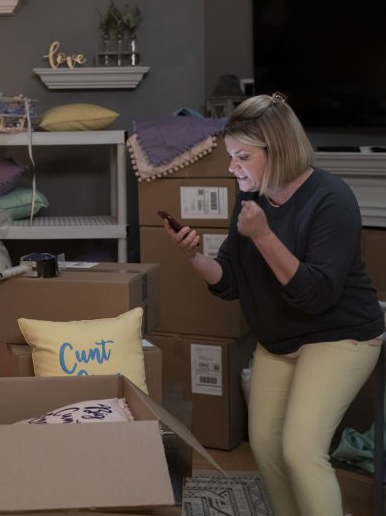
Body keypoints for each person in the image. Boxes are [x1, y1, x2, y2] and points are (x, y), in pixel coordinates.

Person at [163, 93, 384, 516]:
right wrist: (193, 257)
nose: (232, 167)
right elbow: (230, 280)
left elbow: (317, 295)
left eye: (242, 157)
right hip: (280, 338)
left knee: (300, 450)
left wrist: (264, 236)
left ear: (278, 151)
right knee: (264, 443)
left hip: (340, 334)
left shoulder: (331, 199)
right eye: (231, 156)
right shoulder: (251, 198)